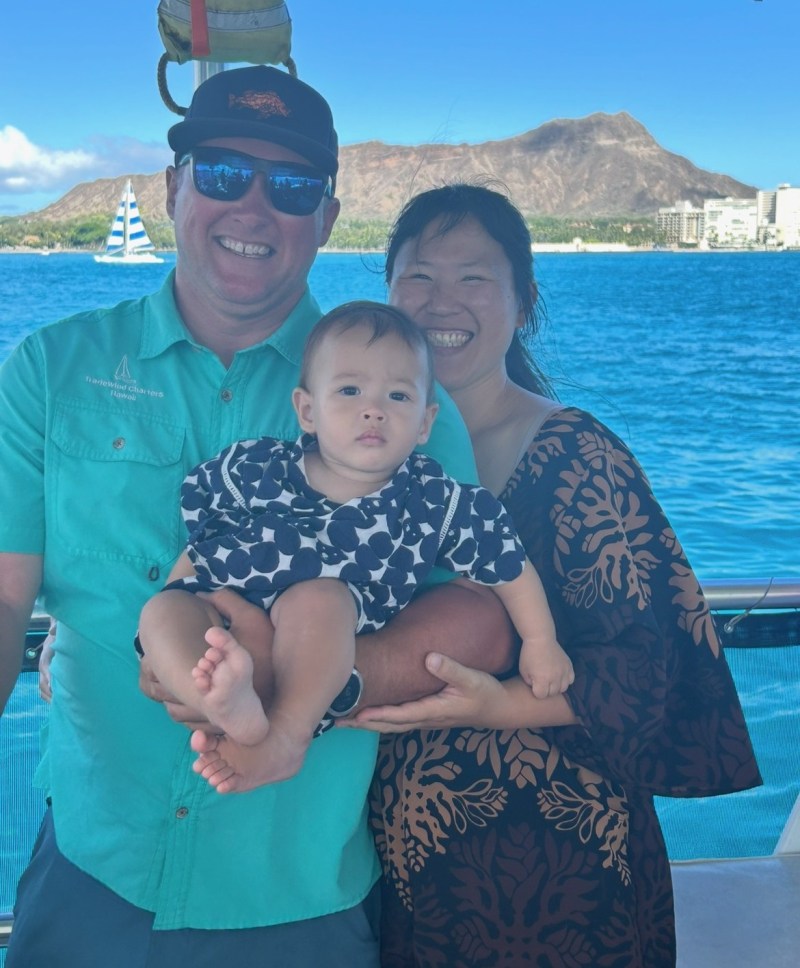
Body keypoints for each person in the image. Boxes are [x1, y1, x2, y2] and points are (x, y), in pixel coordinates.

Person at [0, 68, 516, 968]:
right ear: (172, 188)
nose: (254, 207)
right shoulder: (50, 368)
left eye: (292, 187)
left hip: (296, 895)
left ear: (324, 217)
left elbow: (483, 614)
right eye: (223, 173)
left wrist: (311, 684)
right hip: (91, 868)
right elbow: (8, 602)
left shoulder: (392, 391)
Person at [340, 184, 763, 967]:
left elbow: (649, 667)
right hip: (405, 861)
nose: (444, 301)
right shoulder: (360, 459)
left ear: (522, 301)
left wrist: (499, 704)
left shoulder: (576, 455)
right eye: (420, 276)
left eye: (474, 278)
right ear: (388, 294)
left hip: (566, 863)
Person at [137, 301, 572, 793]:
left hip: (318, 620)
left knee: (319, 599)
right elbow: (203, 544)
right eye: (349, 390)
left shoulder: (428, 499)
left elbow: (505, 562)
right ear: (307, 410)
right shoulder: (256, 468)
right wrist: (179, 600)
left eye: (398, 396)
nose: (374, 408)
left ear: (425, 423)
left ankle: (284, 734)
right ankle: (215, 696)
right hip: (222, 601)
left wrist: (541, 642)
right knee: (162, 611)